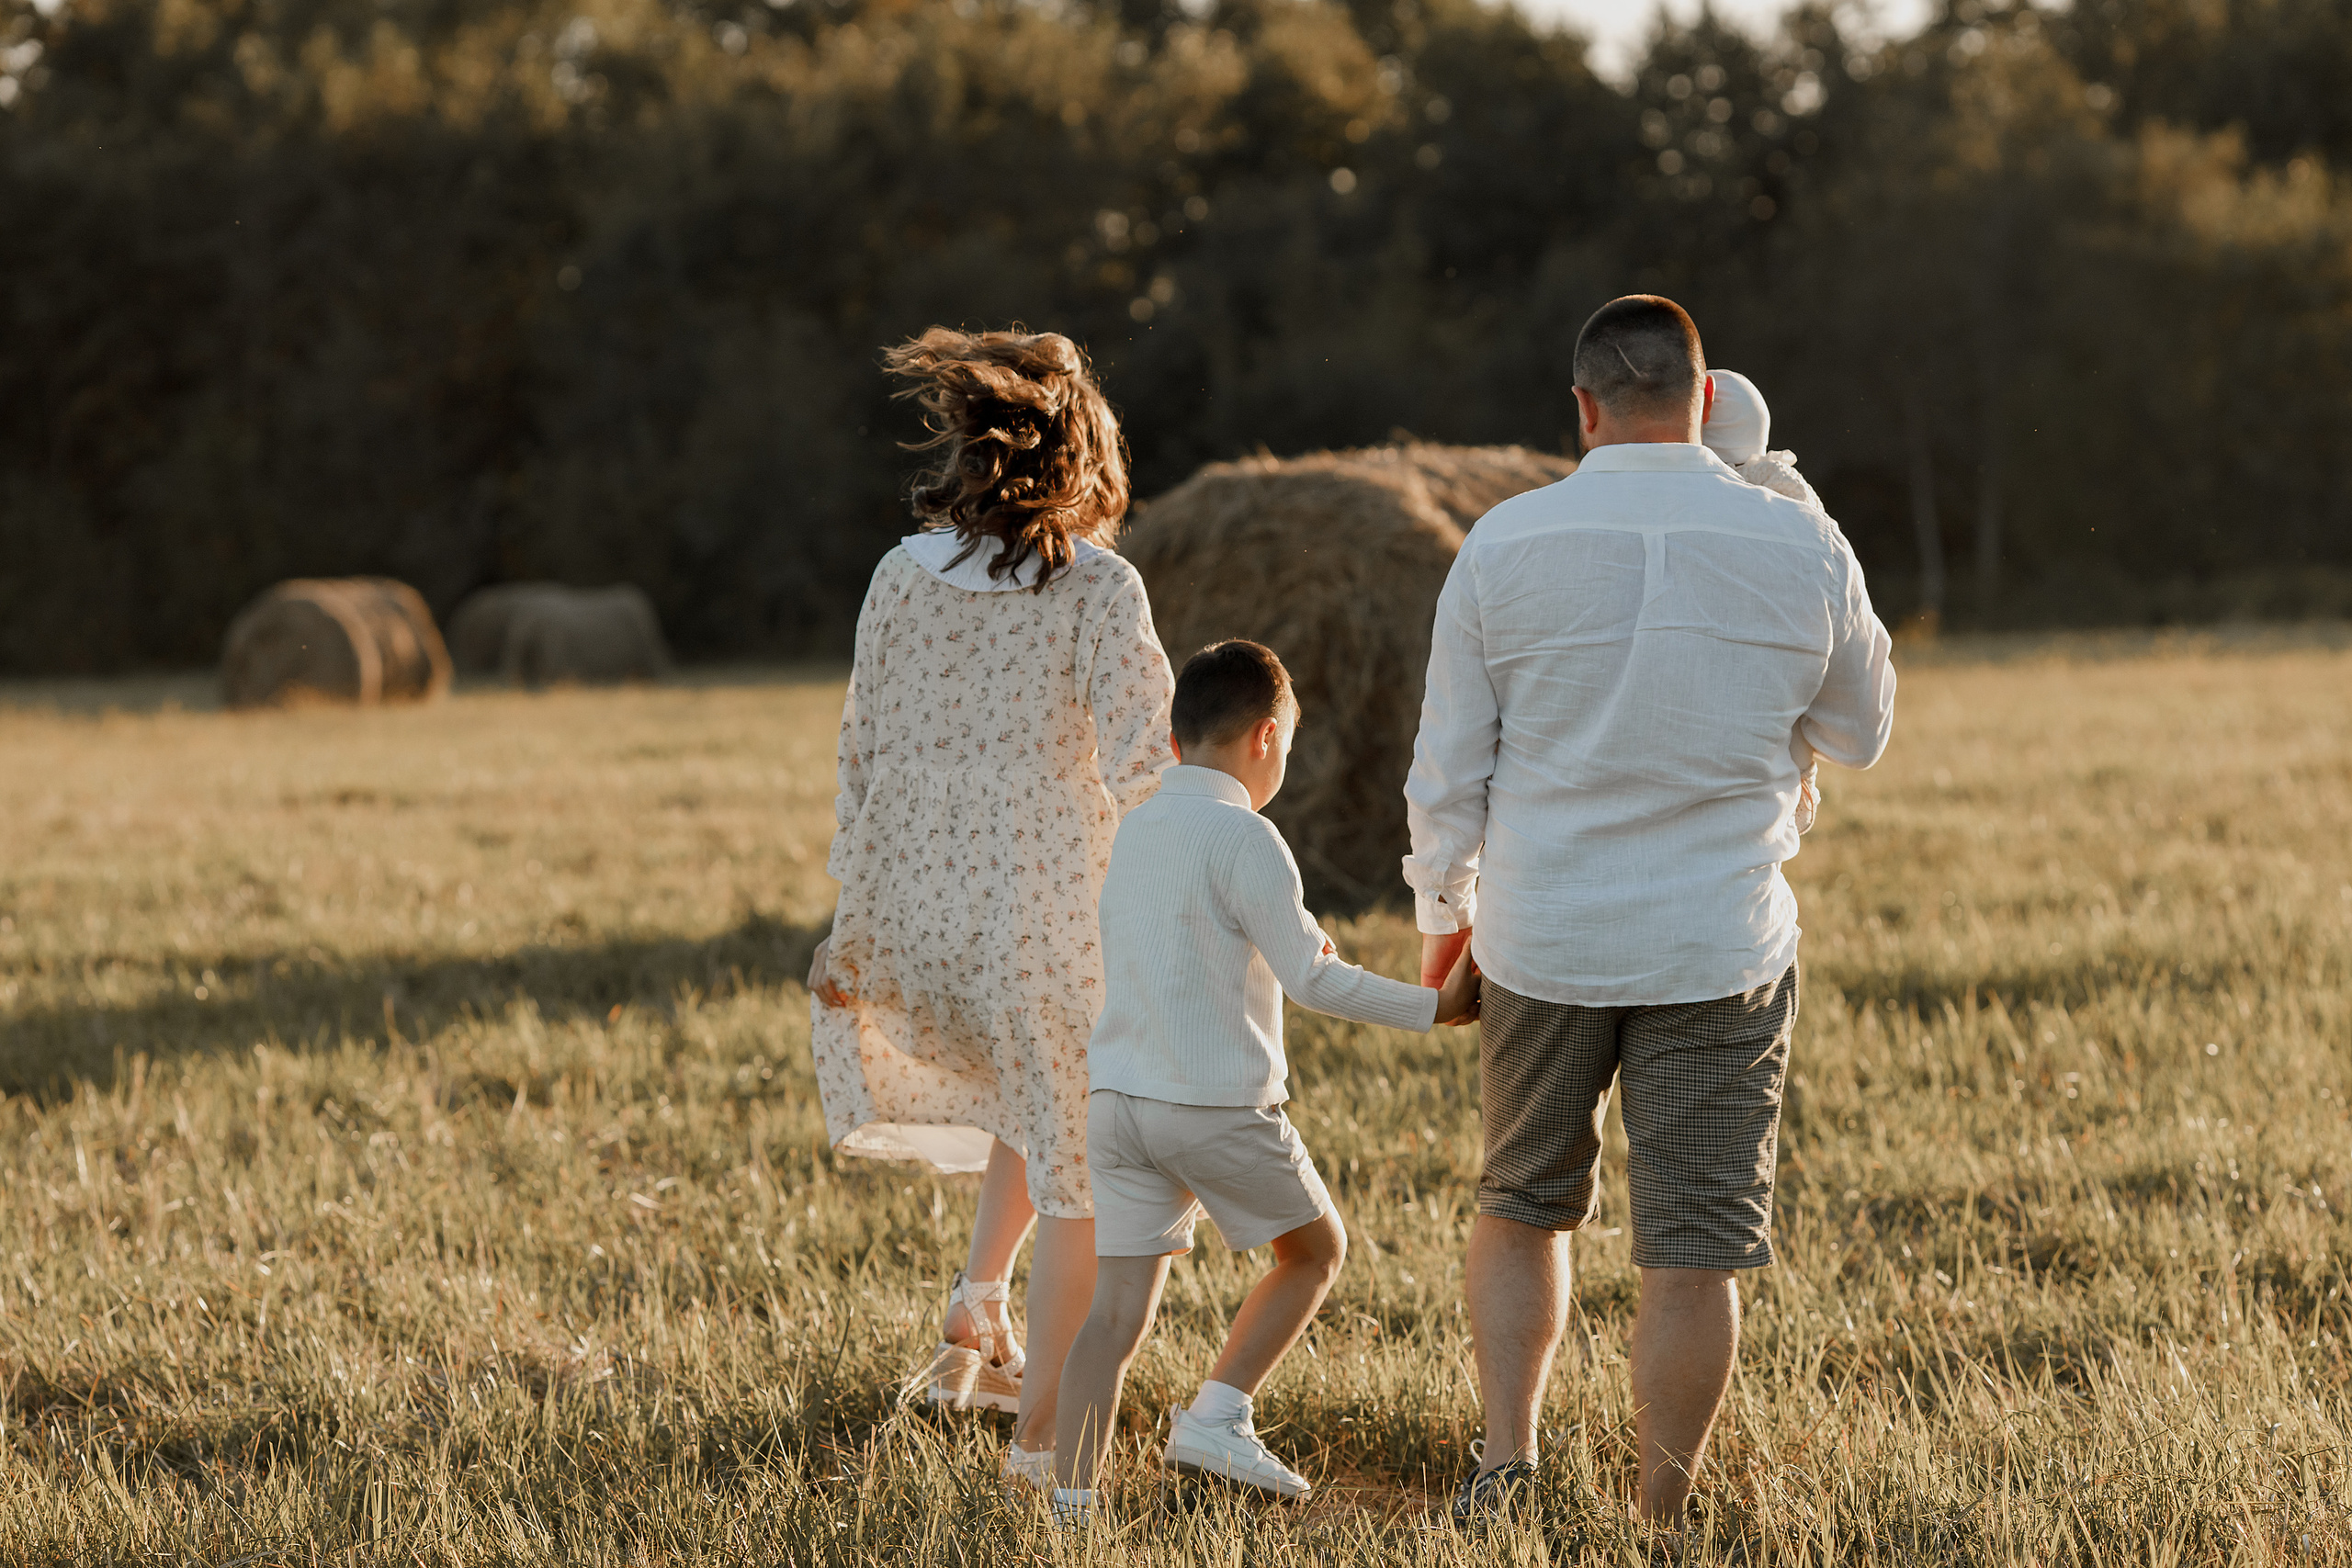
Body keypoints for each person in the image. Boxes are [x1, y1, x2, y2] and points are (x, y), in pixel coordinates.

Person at [1403, 296, 1896, 1530]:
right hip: (1719, 944)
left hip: (1540, 938)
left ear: (1582, 407)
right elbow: (1861, 732)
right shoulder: (1799, 539)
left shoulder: (1502, 542)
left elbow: (1446, 770)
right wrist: (1801, 505)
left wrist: (1442, 921)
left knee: (1521, 1204)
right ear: (1705, 398)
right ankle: (1661, 1517)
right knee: (1691, 1247)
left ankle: (1504, 1468)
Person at [806, 326, 1176, 1488]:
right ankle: (1041, 1444)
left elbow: (860, 751)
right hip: (1042, 920)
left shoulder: (897, 573)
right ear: (1089, 458)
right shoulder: (1098, 586)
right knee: (1089, 1178)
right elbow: (1149, 771)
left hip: (916, 919)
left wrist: (855, 917)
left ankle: (976, 1310)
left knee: (1032, 1086)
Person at [1048, 640, 1480, 1525]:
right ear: (1267, 737)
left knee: (1114, 1314)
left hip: (1118, 1103)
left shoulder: (1137, 827)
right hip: (1212, 1104)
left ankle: (1070, 1507)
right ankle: (1217, 1415)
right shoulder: (1248, 835)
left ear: (1176, 742)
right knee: (1316, 1251)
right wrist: (1433, 1006)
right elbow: (1312, 980)